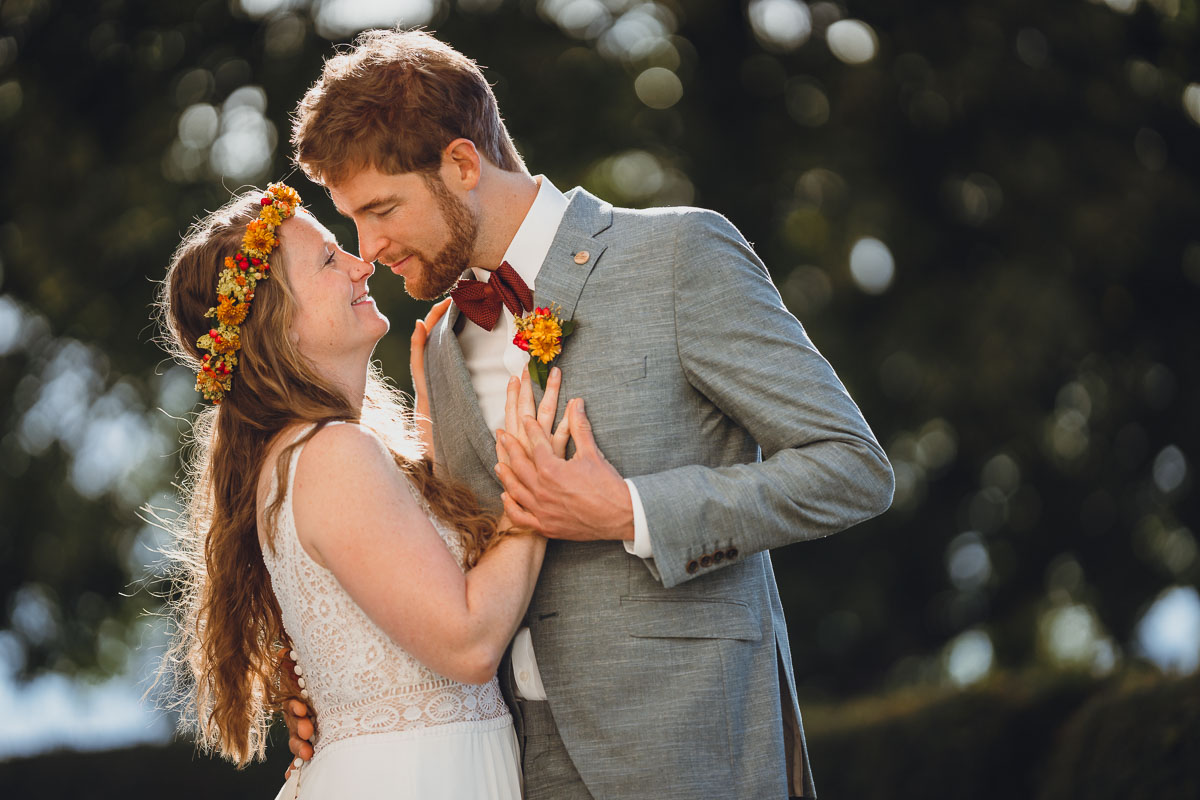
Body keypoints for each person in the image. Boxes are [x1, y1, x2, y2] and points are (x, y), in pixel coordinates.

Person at [285, 29, 895, 799]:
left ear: (462, 164)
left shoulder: (678, 257)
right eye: (352, 221)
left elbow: (853, 469)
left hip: (690, 752)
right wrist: (339, 691)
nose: (366, 249)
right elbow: (443, 562)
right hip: (514, 767)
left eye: (380, 210)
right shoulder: (441, 341)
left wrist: (631, 510)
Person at [156, 182, 581, 798]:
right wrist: (534, 487)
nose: (362, 263)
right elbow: (468, 642)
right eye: (330, 259)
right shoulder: (331, 455)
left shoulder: (305, 455)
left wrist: (437, 432)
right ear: (279, 321)